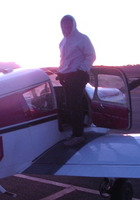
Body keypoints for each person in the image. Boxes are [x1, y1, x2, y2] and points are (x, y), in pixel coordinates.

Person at [56, 15, 96, 147]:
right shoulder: (62, 42)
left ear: (73, 25)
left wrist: (81, 70)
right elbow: (64, 60)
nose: (66, 26)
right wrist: (60, 72)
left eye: (68, 24)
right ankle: (74, 133)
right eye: (64, 24)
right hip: (67, 76)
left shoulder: (82, 39)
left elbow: (91, 55)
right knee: (68, 105)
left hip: (78, 75)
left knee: (75, 105)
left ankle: (78, 135)